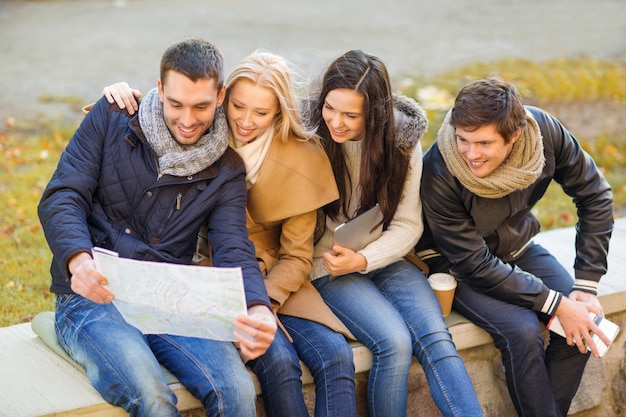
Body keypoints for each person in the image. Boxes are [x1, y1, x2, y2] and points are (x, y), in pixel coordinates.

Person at [101, 51, 357, 417]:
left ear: (279, 113)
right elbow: (164, 110)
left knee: (335, 355)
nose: (246, 121)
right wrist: (119, 92)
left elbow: (297, 256)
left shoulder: (302, 158)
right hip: (211, 273)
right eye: (239, 106)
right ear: (223, 98)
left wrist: (262, 302)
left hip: (276, 281)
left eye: (261, 113)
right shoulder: (199, 128)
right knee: (279, 362)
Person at [37, 38, 277, 417]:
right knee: (152, 395)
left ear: (220, 96)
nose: (186, 119)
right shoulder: (112, 116)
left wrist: (258, 307)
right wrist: (77, 260)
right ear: (160, 88)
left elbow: (233, 246)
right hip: (92, 296)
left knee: (236, 389)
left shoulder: (227, 169)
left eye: (200, 106)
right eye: (176, 103)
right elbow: (63, 194)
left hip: (168, 298)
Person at [415, 76, 614, 417]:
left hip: (516, 246)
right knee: (522, 332)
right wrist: (556, 304)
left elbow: (595, 194)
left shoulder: (545, 134)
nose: (470, 154)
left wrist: (585, 284)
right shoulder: (440, 168)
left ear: (515, 135)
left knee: (583, 322)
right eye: (463, 140)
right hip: (456, 262)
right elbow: (473, 263)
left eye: (483, 143)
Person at [307, 49, 483, 417]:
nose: (336, 122)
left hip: (385, 256)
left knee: (436, 339)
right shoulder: (309, 139)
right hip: (329, 265)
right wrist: (349, 261)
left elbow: (407, 224)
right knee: (394, 342)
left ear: (374, 113)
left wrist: (366, 258)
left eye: (351, 115)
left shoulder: (401, 143)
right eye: (330, 107)